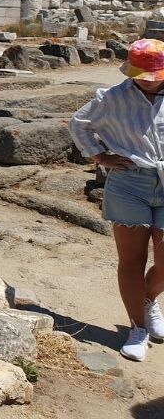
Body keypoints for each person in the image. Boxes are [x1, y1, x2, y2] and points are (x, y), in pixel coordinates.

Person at [70, 38, 164, 362]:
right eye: (140, 74)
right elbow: (78, 123)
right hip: (129, 182)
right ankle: (137, 327)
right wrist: (100, 157)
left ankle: (148, 299)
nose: (145, 80)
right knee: (132, 260)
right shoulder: (112, 97)